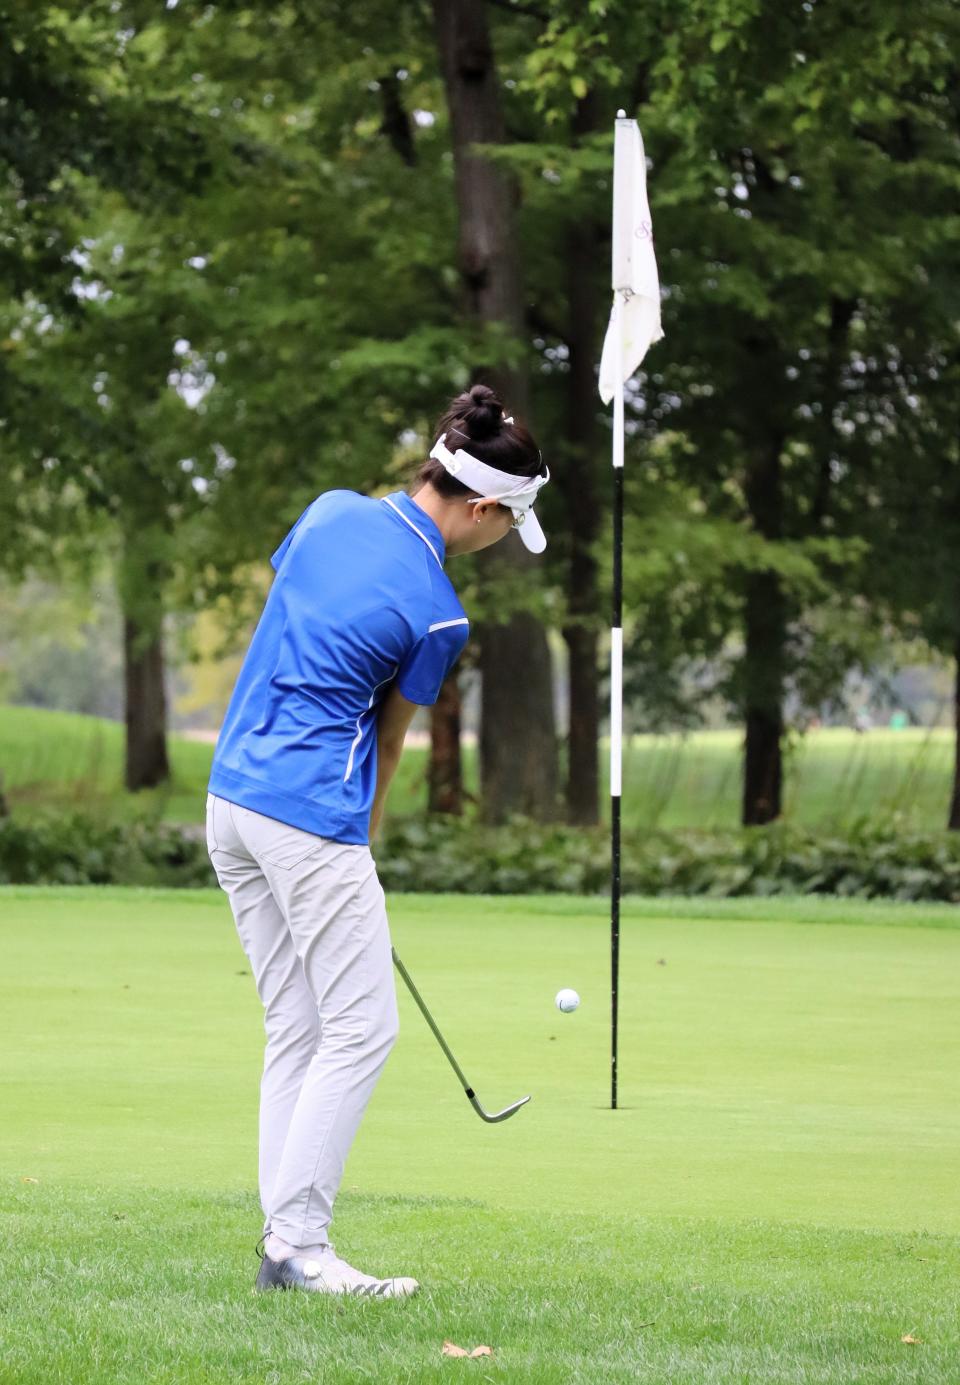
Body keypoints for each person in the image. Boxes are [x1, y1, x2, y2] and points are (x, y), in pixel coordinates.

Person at [205, 384, 549, 1297]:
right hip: (311, 813)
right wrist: (361, 842)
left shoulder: (327, 513)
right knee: (362, 1028)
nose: (505, 538)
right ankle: (299, 1248)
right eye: (509, 523)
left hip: (232, 798)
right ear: (479, 507)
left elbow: (290, 624)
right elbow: (389, 738)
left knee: (300, 1023)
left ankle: (283, 1240)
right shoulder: (438, 612)